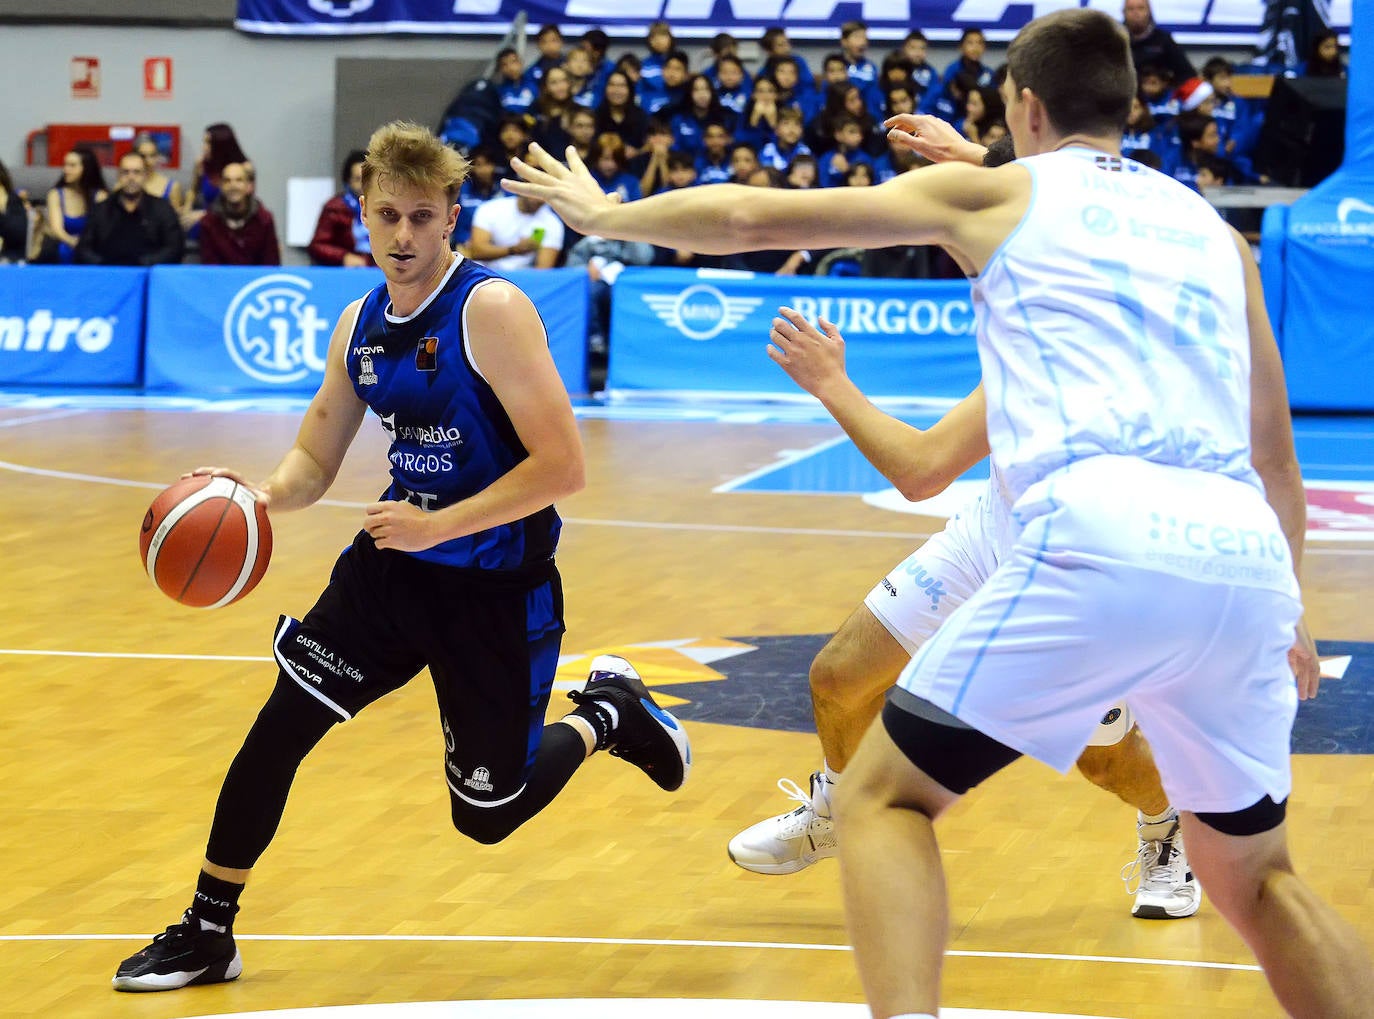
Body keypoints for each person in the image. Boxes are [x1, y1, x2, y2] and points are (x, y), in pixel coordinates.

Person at [501, 10, 1374, 1014]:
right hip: (1244, 557)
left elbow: (751, 219)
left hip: (1099, 529)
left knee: (882, 797)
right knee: (1263, 878)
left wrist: (606, 215)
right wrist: (1293, 604)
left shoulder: (999, 193)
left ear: (1026, 107)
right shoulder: (1220, 235)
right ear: (1129, 109)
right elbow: (1275, 453)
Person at [111, 121, 691, 994]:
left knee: (487, 817)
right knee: (279, 728)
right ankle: (206, 929)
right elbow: (314, 460)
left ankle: (609, 711)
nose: (404, 236)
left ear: (453, 215)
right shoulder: (361, 320)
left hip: (495, 587)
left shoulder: (490, 310)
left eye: (424, 216)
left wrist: (443, 522)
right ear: (364, 214)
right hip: (391, 570)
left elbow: (563, 466)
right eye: (388, 215)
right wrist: (257, 497)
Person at [728, 125, 1216, 921]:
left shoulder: (1087, 360)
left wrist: (831, 383)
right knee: (839, 676)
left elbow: (920, 471)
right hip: (996, 526)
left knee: (1102, 762)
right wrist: (977, 164)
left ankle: (1167, 825)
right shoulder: (1063, 293)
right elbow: (1036, 211)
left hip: (1076, 568)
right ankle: (842, 812)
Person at [74, 151, 183, 266]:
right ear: (118, 176)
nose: (131, 177)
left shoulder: (162, 209)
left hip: (150, 276)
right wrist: (104, 265)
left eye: (137, 172)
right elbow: (83, 249)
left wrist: (147, 264)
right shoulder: (101, 210)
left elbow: (174, 249)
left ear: (145, 176)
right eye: (125, 172)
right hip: (109, 275)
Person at [197, 162, 281, 266]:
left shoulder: (264, 221)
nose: (233, 186)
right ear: (221, 186)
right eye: (227, 181)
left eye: (239, 180)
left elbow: (271, 265)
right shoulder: (208, 222)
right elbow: (209, 268)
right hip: (221, 280)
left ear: (249, 186)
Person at [307, 149, 375, 268]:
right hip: (347, 272)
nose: (363, 185)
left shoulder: (383, 207)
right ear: (348, 181)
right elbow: (317, 246)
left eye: (367, 179)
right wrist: (343, 256)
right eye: (358, 179)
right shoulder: (335, 208)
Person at [467, 192, 564, 270]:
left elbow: (543, 270)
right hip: (486, 272)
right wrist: (514, 250)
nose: (539, 200)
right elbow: (476, 252)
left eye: (544, 195)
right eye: (535, 193)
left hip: (522, 278)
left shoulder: (553, 223)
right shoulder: (491, 209)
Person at [45, 147, 106, 264]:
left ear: (86, 168)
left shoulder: (100, 196)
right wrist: (76, 244)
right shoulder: (55, 194)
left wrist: (86, 247)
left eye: (72, 166)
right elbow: (57, 230)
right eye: (65, 165)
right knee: (63, 251)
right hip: (66, 245)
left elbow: (102, 230)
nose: (66, 170)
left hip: (92, 248)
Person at [1123, 0, 1195, 86]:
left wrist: (1167, 89)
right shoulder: (1115, 40)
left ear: (1149, 11)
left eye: (1141, 8)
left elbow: (1187, 74)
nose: (1136, 13)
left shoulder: (1164, 40)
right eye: (1130, 9)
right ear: (1123, 12)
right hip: (1125, 95)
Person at [134, 133, 184, 209]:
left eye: (152, 155)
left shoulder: (172, 188)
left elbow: (174, 219)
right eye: (142, 156)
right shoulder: (123, 186)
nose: (148, 161)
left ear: (157, 157)